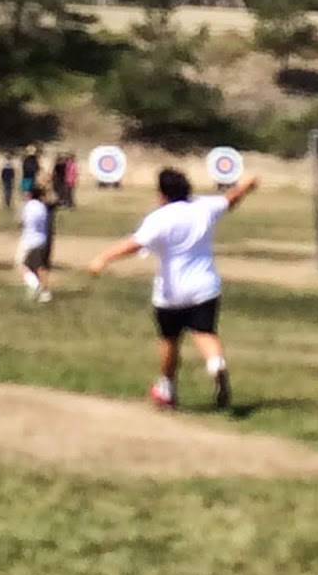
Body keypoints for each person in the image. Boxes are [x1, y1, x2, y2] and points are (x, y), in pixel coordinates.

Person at [89, 166, 259, 411]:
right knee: (205, 333)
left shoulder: (160, 218)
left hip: (172, 292)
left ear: (162, 193)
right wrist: (246, 186)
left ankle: (167, 388)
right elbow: (230, 199)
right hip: (205, 286)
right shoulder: (203, 207)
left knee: (169, 340)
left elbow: (135, 244)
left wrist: (103, 258)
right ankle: (216, 365)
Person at [16, 181, 54, 303]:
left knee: (22, 265)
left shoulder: (28, 206)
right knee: (38, 267)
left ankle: (36, 286)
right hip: (41, 240)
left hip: (28, 240)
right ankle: (41, 290)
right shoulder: (43, 207)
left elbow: (22, 222)